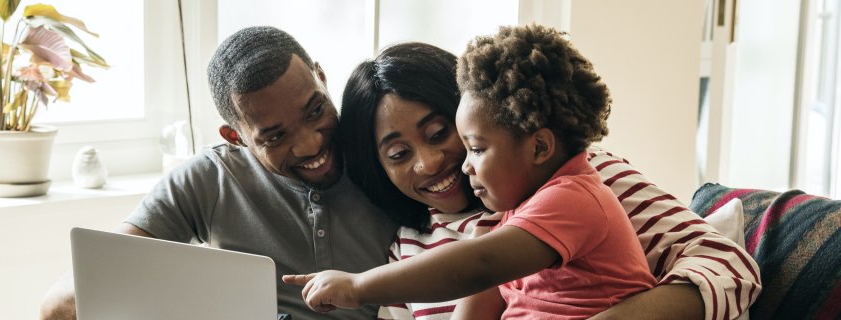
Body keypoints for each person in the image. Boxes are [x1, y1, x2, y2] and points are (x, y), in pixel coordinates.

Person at [285, 27, 760, 319]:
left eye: (440, 133)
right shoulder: (407, 247)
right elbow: (482, 284)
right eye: (397, 154)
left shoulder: (583, 183)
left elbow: (732, 268)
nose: (429, 164)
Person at [38, 26, 398, 320]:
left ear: (321, 77)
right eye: (275, 136)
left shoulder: (384, 150)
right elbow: (60, 305)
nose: (309, 145)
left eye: (315, 110)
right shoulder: (211, 177)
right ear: (236, 137)